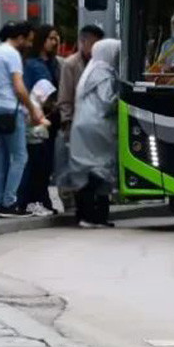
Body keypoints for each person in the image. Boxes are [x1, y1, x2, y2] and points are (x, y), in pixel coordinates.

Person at [0, 21, 48, 217]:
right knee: (20, 157)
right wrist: (32, 109)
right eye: (29, 40)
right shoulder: (13, 55)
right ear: (20, 38)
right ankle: (9, 202)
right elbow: (19, 87)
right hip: (11, 111)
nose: (30, 45)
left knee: (1, 157)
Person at [63, 39, 122, 228]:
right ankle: (91, 216)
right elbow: (107, 101)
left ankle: (93, 216)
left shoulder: (91, 69)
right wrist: (123, 97)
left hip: (83, 125)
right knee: (100, 170)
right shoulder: (104, 72)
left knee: (87, 170)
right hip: (99, 126)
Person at [56, 25, 104, 214]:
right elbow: (65, 98)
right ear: (82, 42)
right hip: (78, 125)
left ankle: (96, 210)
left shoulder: (101, 64)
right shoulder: (70, 65)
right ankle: (77, 207)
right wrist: (67, 123)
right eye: (93, 42)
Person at [17, 24, 62, 214]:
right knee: (37, 161)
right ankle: (30, 199)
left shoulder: (54, 63)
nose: (54, 42)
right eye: (50, 38)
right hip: (36, 118)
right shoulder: (33, 64)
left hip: (51, 119)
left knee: (45, 162)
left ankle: (40, 199)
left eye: (56, 38)